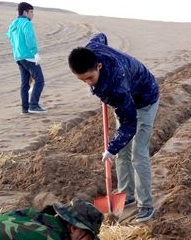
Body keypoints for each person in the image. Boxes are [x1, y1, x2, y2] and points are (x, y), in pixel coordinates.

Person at [68, 33, 159, 222]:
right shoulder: (92, 50)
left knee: (138, 152)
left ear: (99, 66)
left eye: (90, 77)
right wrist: (116, 147)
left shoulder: (115, 86)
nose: (88, 83)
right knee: (122, 151)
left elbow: (129, 124)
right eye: (83, 80)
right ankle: (127, 194)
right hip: (126, 98)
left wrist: (110, 148)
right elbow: (100, 36)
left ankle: (146, 205)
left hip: (145, 100)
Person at [6, 2, 46, 114]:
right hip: (29, 56)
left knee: (25, 83)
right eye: (31, 12)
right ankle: (33, 105)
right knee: (39, 80)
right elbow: (29, 38)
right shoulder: (26, 23)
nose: (33, 15)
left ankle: (25, 108)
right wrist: (35, 53)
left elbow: (9, 35)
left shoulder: (14, 23)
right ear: (25, 12)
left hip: (18, 57)